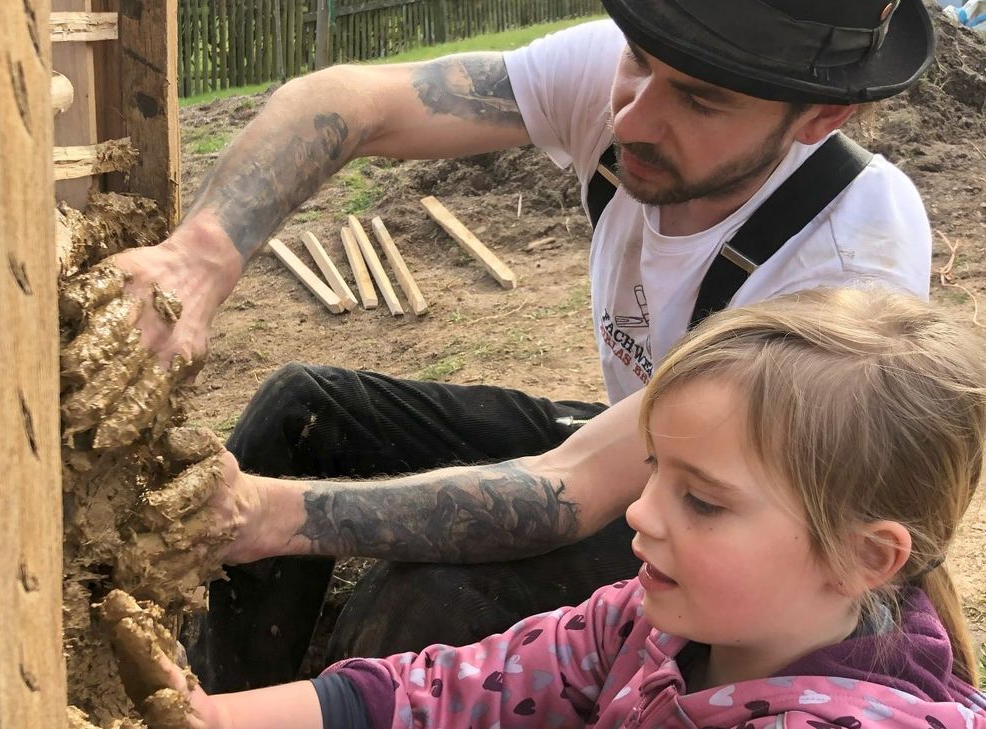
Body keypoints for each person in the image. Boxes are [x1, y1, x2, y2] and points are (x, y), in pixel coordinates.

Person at [105, 0, 940, 689]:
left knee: (430, 595)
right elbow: (348, 98)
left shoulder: (841, 263)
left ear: (820, 117)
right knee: (307, 411)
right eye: (640, 62)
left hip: (741, 530)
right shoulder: (644, 76)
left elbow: (569, 486)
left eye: (700, 101)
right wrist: (201, 255)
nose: (634, 116)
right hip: (637, 447)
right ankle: (229, 701)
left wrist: (260, 513)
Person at [111, 288, 986, 729]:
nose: (638, 514)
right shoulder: (653, 622)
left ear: (866, 557)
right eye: (654, 471)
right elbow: (442, 690)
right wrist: (217, 715)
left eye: (702, 501)